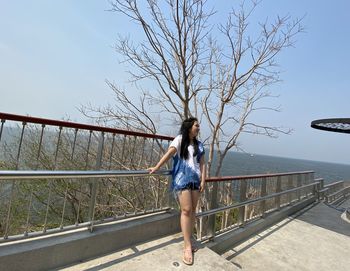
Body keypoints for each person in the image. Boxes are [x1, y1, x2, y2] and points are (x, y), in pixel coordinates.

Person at [148, 117, 206, 266]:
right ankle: (187, 245)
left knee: (193, 210)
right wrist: (156, 167)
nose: (198, 128)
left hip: (195, 179)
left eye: (198, 126)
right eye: (196, 125)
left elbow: (202, 163)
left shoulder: (199, 145)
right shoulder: (180, 140)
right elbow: (169, 153)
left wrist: (203, 180)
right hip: (182, 179)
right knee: (186, 210)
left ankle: (190, 239)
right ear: (189, 127)